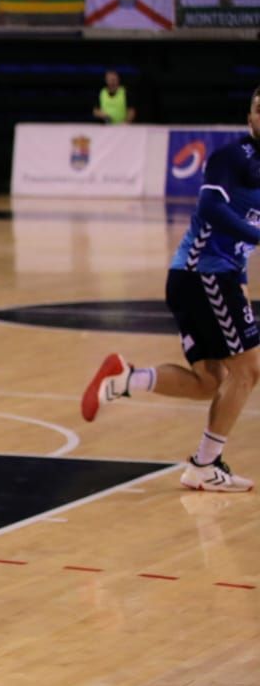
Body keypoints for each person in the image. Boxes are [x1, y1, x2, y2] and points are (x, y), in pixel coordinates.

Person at [83, 88, 260, 492]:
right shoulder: (233, 158)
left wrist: (244, 280)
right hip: (204, 276)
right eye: (259, 109)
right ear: (249, 116)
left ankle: (125, 379)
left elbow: (240, 237)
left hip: (205, 277)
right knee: (248, 371)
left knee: (210, 382)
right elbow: (211, 209)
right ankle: (204, 465)